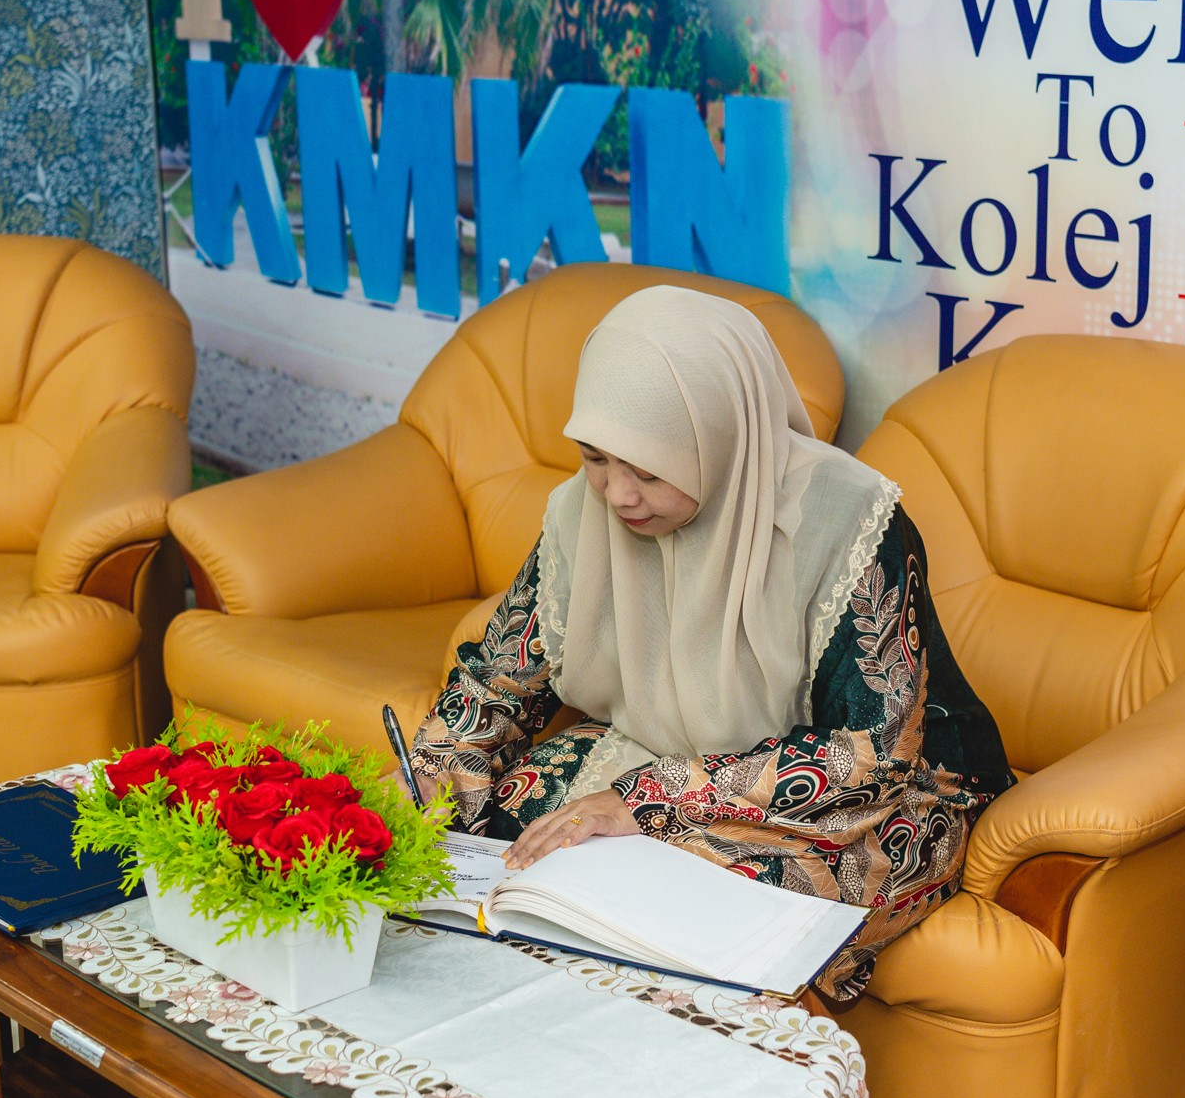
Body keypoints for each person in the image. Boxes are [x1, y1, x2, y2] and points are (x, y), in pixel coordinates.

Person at [408, 286, 1011, 1002]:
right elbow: (501, 680)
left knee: (714, 895)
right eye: (596, 457)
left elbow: (873, 754)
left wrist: (646, 800)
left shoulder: (847, 520)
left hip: (876, 788)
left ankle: (669, 1057)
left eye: (648, 469)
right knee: (517, 826)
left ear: (724, 440)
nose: (618, 494)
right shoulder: (582, 510)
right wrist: (431, 773)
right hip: (661, 747)